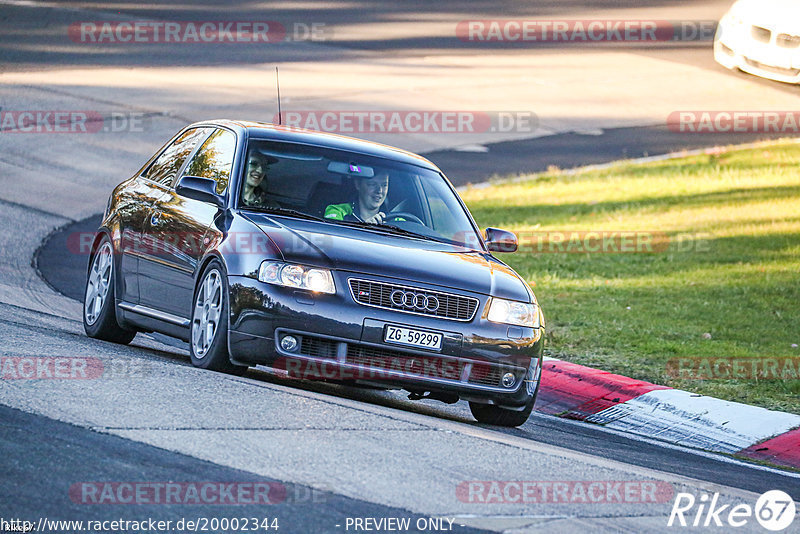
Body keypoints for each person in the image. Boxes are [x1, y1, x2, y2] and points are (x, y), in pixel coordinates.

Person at [324, 171, 389, 224]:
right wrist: (365, 229)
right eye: (372, 184)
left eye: (384, 185)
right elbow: (333, 237)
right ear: (358, 184)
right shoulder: (337, 211)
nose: (379, 190)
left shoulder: (394, 219)